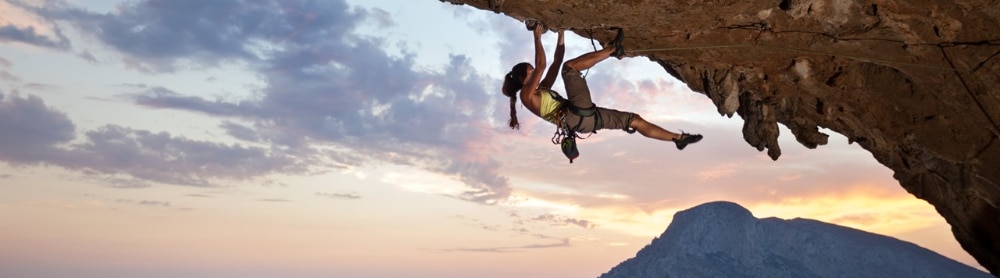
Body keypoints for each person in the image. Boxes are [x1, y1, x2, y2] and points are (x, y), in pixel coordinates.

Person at [501, 23, 703, 153]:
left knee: (634, 120)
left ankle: (678, 138)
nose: (535, 73)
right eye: (530, 73)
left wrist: (561, 32)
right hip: (574, 115)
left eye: (533, 70)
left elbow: (556, 60)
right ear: (521, 80)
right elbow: (543, 65)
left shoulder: (542, 89)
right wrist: (537, 36)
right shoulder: (527, 96)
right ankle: (614, 49)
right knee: (569, 69)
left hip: (585, 121)